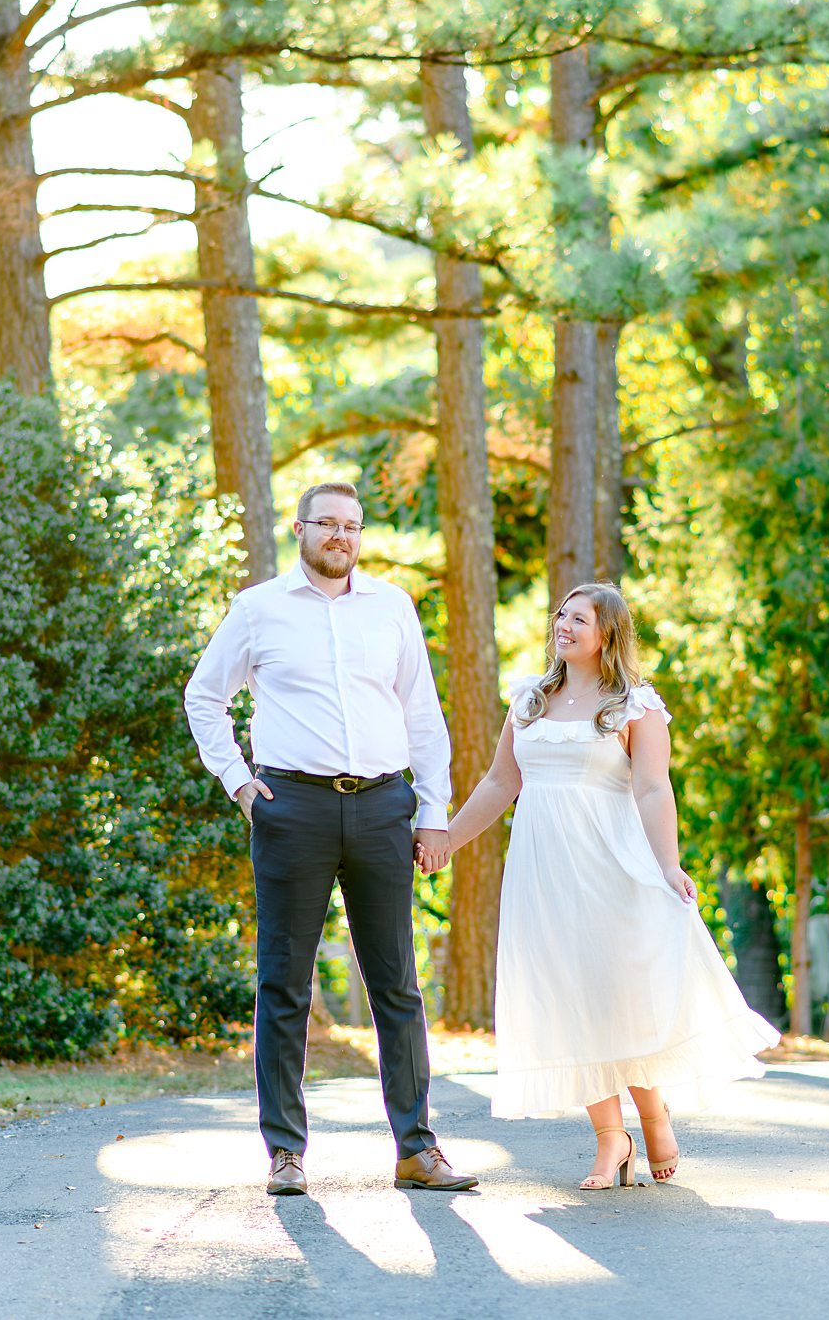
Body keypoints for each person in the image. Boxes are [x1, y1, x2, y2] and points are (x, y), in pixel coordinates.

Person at [184, 482, 477, 1197]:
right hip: (295, 809)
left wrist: (433, 809)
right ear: (301, 529)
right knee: (284, 983)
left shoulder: (392, 608)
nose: (340, 536)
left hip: (382, 806)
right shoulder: (259, 609)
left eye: (352, 525)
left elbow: (423, 715)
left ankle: (417, 1148)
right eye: (328, 524)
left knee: (397, 987)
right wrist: (241, 785)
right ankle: (285, 1151)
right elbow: (204, 696)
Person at [441, 582, 781, 1189]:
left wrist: (668, 864)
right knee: (567, 996)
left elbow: (654, 789)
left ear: (608, 634)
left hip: (612, 869)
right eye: (561, 615)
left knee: (619, 995)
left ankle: (653, 1114)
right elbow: (499, 784)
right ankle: (609, 1140)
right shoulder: (528, 702)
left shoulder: (636, 707)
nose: (563, 625)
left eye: (579, 618)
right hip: (542, 874)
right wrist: (445, 840)